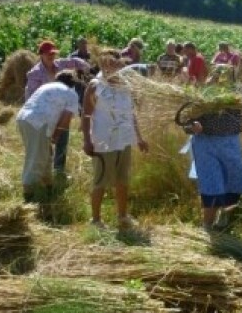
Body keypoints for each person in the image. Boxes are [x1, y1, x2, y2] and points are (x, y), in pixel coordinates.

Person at [81, 49, 149, 229]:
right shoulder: (95, 85)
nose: (111, 66)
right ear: (102, 64)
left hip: (123, 139)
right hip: (103, 140)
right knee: (100, 180)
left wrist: (139, 138)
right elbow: (86, 115)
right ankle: (95, 220)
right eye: (107, 63)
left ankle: (122, 216)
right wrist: (87, 140)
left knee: (123, 180)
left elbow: (131, 113)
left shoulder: (125, 85)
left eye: (115, 62)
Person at [183, 69, 242, 229]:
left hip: (230, 142)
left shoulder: (237, 93)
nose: (219, 79)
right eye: (216, 75)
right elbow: (185, 122)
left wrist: (234, 91)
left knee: (234, 180)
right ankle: (207, 226)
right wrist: (193, 126)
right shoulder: (200, 95)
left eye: (225, 75)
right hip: (205, 144)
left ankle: (224, 218)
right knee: (211, 183)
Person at [25, 40, 90, 176]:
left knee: (62, 138)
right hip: (44, 112)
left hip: (61, 109)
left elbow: (75, 61)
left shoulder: (60, 64)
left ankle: (59, 170)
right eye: (48, 54)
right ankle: (42, 172)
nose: (51, 56)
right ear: (41, 54)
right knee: (44, 143)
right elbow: (32, 96)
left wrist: (86, 67)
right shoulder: (34, 74)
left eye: (53, 53)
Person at [16, 70, 82, 202]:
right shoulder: (71, 94)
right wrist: (55, 137)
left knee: (45, 155)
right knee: (36, 159)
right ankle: (28, 198)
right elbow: (65, 120)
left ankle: (49, 187)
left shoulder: (46, 86)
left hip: (22, 118)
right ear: (72, 83)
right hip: (38, 122)